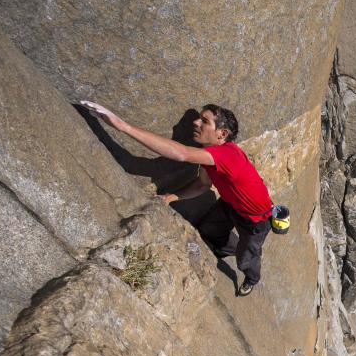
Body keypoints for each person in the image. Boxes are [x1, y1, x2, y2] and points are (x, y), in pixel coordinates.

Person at [81, 101, 273, 297]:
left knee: (245, 260)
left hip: (255, 219)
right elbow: (203, 185)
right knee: (209, 230)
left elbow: (181, 154)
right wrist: (170, 197)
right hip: (230, 204)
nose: (196, 123)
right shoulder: (209, 155)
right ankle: (235, 248)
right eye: (198, 118)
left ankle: (251, 276)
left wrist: (122, 126)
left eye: (204, 121)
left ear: (222, 134)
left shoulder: (226, 155)